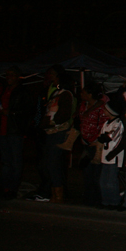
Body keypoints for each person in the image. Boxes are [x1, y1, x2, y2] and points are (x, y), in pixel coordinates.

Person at [39, 67, 76, 203]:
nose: (52, 79)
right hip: (50, 131)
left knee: (53, 162)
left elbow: (64, 114)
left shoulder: (66, 94)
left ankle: (58, 193)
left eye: (55, 77)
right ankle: (55, 192)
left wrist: (52, 122)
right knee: (49, 162)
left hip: (58, 131)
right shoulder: (56, 93)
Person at [0, 66, 32, 200]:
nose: (9, 78)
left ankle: (12, 188)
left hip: (15, 130)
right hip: (4, 130)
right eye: (7, 75)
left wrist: (11, 113)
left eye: (11, 75)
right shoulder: (4, 91)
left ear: (17, 76)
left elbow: (27, 111)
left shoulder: (22, 91)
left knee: (15, 161)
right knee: (6, 162)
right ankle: (4, 187)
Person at [76, 82, 109, 206]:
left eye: (84, 92)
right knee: (87, 174)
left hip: (95, 145)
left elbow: (103, 126)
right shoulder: (83, 106)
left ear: (90, 94)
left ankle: (97, 200)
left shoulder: (100, 107)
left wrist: (96, 141)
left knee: (96, 175)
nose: (81, 94)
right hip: (85, 142)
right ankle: (88, 199)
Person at [99, 96, 126, 210]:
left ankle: (114, 201)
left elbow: (109, 137)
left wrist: (104, 137)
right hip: (105, 156)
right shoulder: (106, 123)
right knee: (103, 180)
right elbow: (101, 136)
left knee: (111, 181)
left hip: (113, 157)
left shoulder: (118, 124)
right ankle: (106, 201)